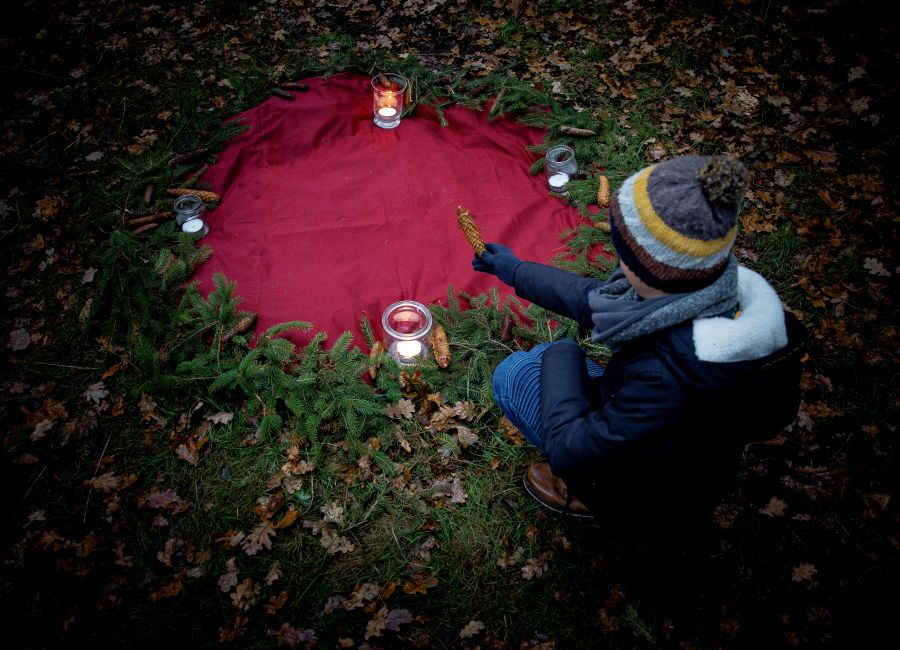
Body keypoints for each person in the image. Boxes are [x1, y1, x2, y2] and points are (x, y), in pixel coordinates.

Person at [473, 155, 805, 529]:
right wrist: (516, 270)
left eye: (624, 253)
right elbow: (594, 300)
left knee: (516, 372)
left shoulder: (665, 377)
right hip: (687, 453)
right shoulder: (723, 295)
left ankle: (590, 497)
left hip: (647, 490)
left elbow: (571, 449)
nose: (619, 263)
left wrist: (560, 356)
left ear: (650, 267)